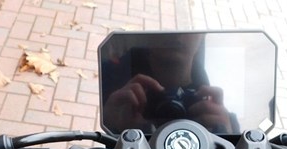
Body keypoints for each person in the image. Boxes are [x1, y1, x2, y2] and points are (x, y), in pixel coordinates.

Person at [101, 33, 237, 134]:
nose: (177, 34)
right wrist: (109, 127)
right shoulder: (114, 91)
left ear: (202, 35)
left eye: (189, 28)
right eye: (165, 26)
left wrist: (227, 135)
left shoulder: (219, 116)